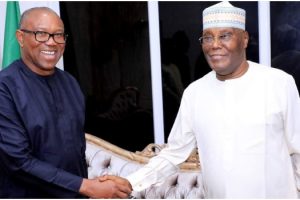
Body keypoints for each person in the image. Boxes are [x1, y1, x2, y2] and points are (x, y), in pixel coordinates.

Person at [125, 1, 300, 198]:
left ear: (244, 39)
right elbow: (174, 153)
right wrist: (129, 182)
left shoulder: (279, 83)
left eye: (225, 36)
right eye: (208, 37)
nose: (215, 45)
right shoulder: (195, 92)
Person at [0, 7, 132, 198]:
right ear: (20, 37)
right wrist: (87, 186)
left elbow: (75, 152)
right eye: (41, 34)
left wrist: (100, 183)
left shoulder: (70, 83)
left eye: (58, 35)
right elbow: (18, 162)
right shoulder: (5, 88)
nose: (52, 42)